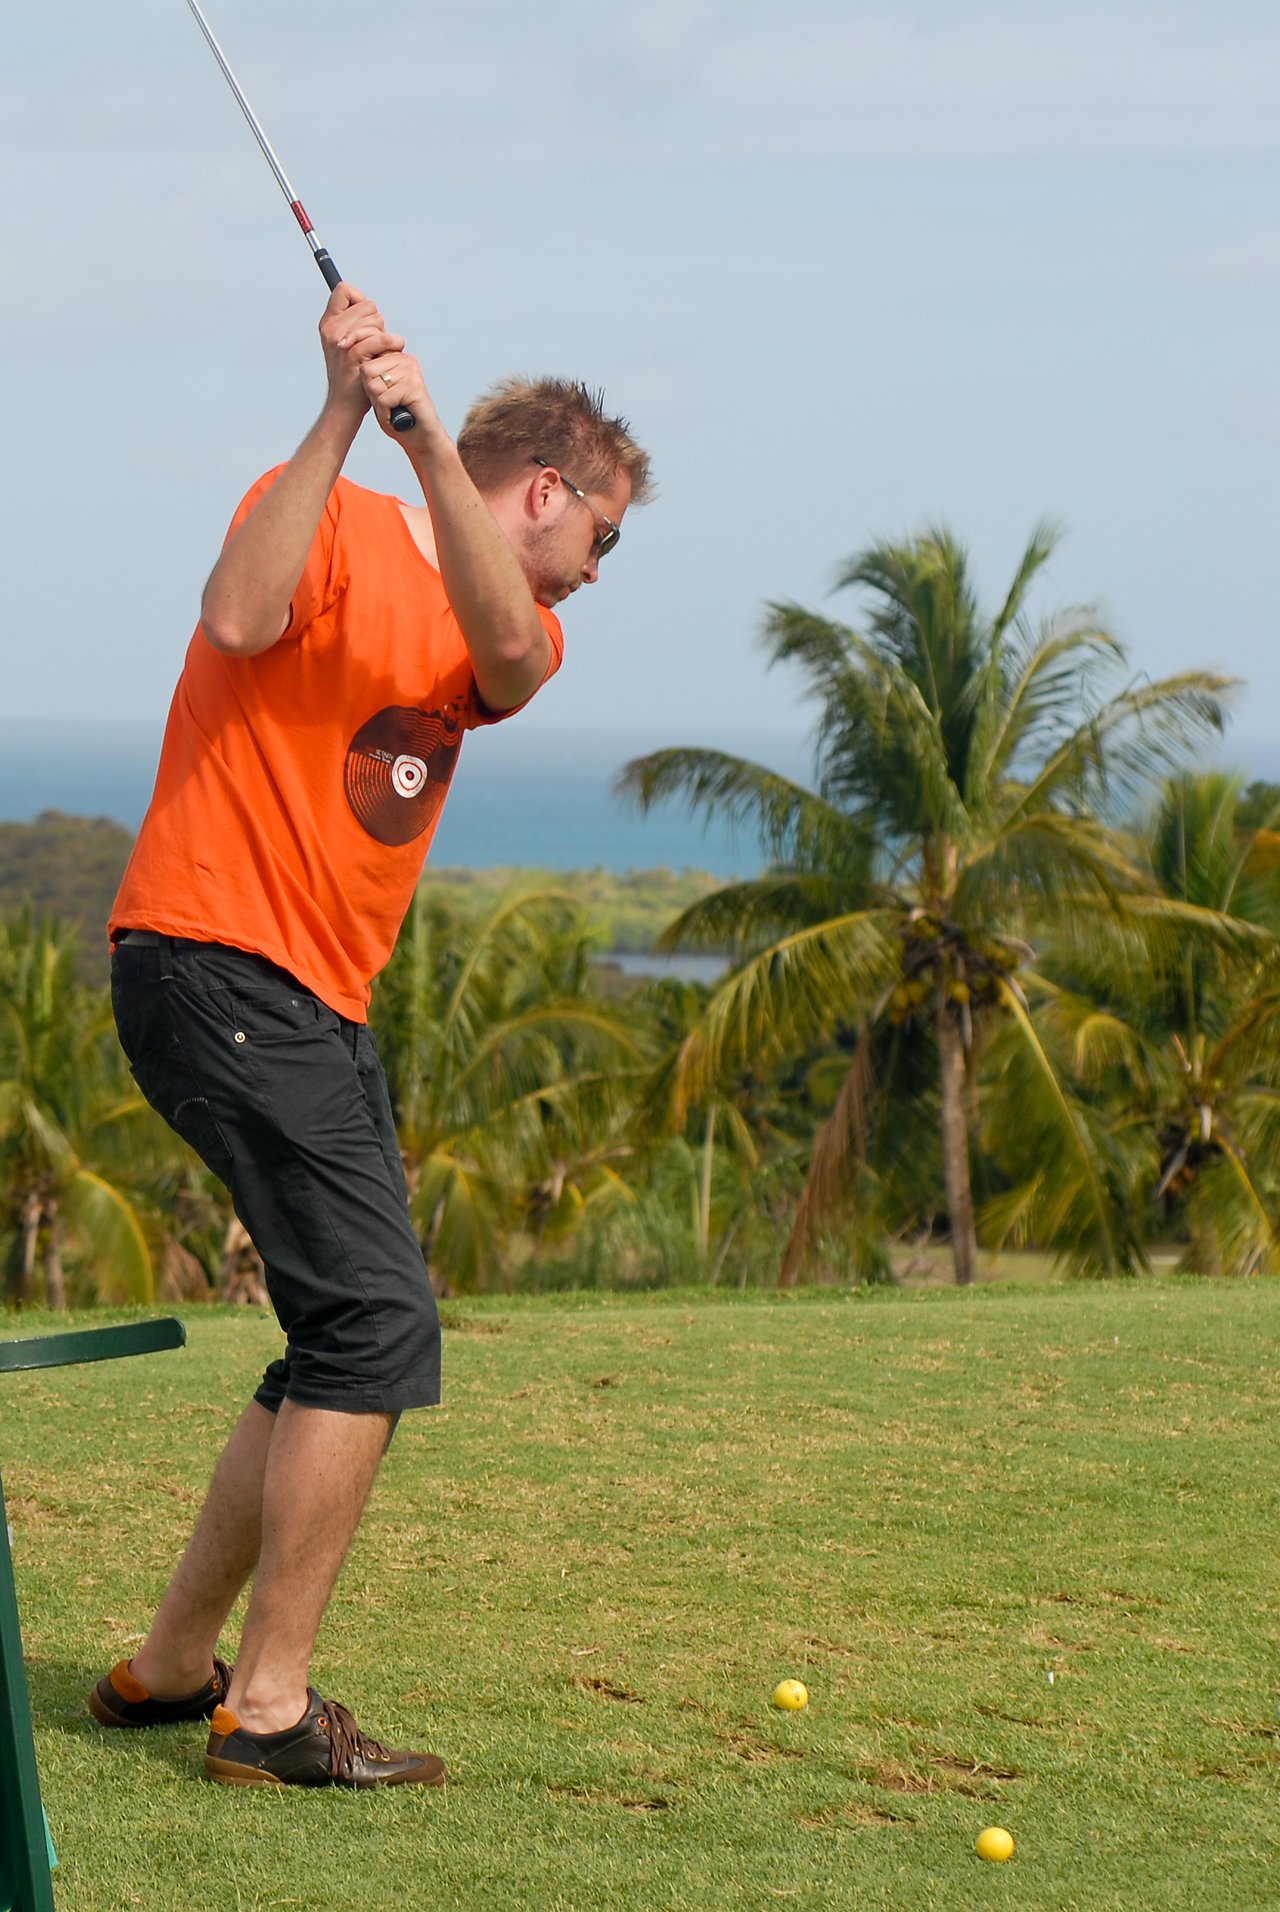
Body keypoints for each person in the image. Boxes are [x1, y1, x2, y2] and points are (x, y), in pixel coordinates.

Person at [87, 283, 652, 1789]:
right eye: (604, 537)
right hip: (219, 964)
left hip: (315, 1001)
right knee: (377, 1325)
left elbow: (517, 662)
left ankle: (168, 1669)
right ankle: (266, 1716)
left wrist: (417, 446)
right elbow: (232, 616)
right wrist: (344, 413)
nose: (600, 572)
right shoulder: (316, 506)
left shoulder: (501, 617)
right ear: (549, 492)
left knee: (335, 1328)